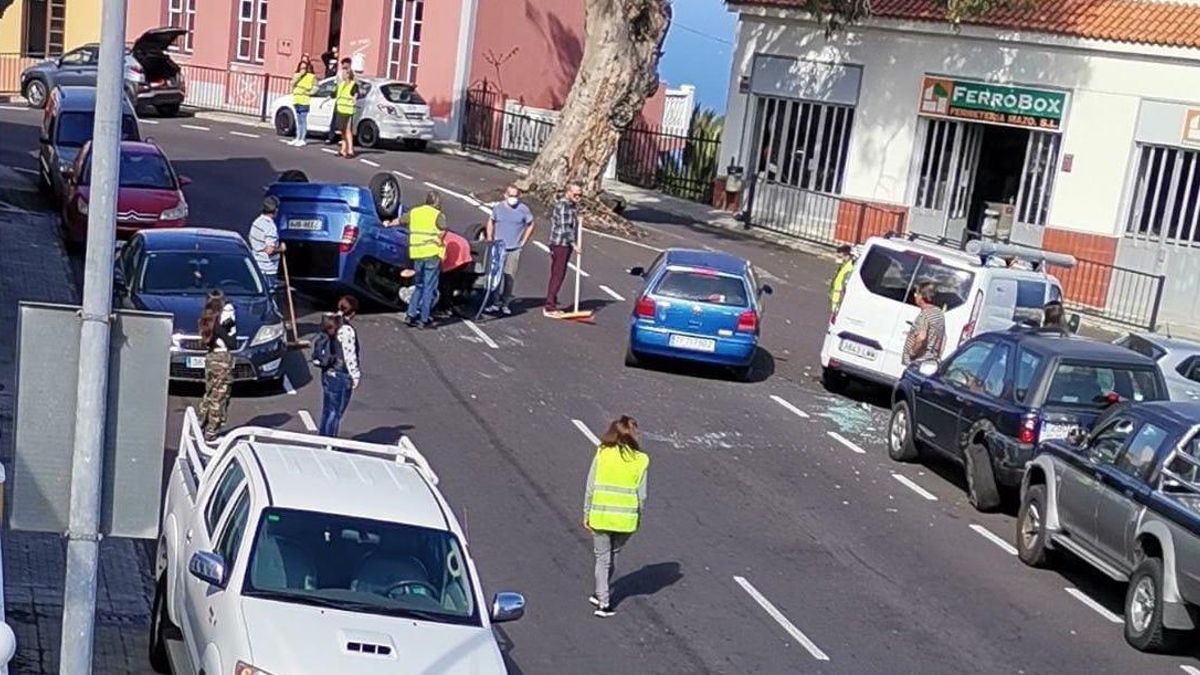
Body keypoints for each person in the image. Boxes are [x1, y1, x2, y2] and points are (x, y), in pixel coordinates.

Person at [583, 416, 649, 618]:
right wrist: (638, 517)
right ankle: (601, 593)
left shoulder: (603, 453)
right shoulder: (641, 459)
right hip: (625, 520)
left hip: (601, 515)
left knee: (602, 558)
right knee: (614, 555)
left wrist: (586, 512)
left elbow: (590, 486)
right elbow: (642, 495)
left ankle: (602, 601)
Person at [484, 184, 536, 315]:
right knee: (496, 276)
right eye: (511, 195)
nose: (513, 198)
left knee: (509, 277)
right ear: (505, 195)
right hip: (499, 247)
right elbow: (491, 221)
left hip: (514, 249)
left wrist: (523, 241)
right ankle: (495, 302)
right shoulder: (498, 208)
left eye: (516, 196)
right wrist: (490, 237)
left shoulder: (523, 210)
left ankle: (505, 303)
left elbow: (531, 224)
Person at [403, 191, 448, 328]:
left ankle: (410, 315)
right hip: (432, 255)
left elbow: (400, 220)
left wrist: (387, 223)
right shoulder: (438, 215)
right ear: (437, 202)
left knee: (419, 286)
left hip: (417, 254)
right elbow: (443, 231)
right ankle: (424, 318)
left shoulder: (415, 212)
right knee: (429, 288)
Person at [197, 297, 237, 442]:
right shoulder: (220, 326)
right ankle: (211, 431)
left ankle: (200, 424)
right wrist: (229, 329)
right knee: (219, 396)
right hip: (222, 360)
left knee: (209, 393)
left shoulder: (207, 320)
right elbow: (232, 344)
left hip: (211, 358)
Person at [544, 181, 583, 317]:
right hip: (561, 244)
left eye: (580, 195)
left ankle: (552, 302)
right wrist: (574, 244)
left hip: (564, 245)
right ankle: (549, 306)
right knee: (558, 274)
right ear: (568, 192)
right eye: (575, 194)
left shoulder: (571, 206)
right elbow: (565, 228)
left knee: (559, 274)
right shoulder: (564, 206)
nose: (578, 197)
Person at [903, 282, 946, 365]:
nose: (915, 296)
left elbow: (921, 337)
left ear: (921, 297)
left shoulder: (925, 315)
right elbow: (943, 338)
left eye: (916, 294)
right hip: (929, 360)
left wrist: (912, 353)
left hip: (917, 362)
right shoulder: (938, 313)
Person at [249, 196, 284, 292]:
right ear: (276, 210)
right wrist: (281, 249)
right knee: (270, 295)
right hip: (268, 269)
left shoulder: (257, 222)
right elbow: (270, 250)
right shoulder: (270, 227)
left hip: (257, 265)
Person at [330, 57, 358, 158]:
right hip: (340, 109)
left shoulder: (353, 85)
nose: (342, 73)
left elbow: (355, 95)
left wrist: (354, 100)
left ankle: (350, 150)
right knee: (342, 131)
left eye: (344, 72)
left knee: (348, 131)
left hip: (348, 111)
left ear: (348, 74)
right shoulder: (341, 85)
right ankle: (343, 150)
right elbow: (334, 94)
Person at [289, 56, 317, 147]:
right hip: (297, 99)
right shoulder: (296, 75)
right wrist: (299, 76)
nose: (302, 70)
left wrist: (309, 92)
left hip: (304, 100)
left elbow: (316, 87)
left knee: (303, 120)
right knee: (298, 120)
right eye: (301, 68)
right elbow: (292, 84)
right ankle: (297, 137)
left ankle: (302, 138)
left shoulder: (311, 76)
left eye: (304, 68)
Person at [829, 244, 854, 311]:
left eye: (840, 257)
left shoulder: (849, 268)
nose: (837, 259)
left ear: (847, 255)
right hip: (836, 301)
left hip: (839, 303)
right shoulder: (843, 266)